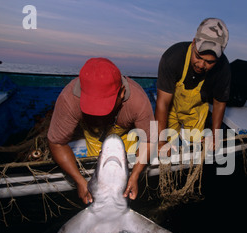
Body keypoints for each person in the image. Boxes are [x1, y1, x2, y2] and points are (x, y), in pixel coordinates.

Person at [47, 57, 155, 204]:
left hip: (125, 135)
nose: (98, 114)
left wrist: (135, 175)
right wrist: (79, 180)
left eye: (105, 107)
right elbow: (56, 143)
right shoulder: (69, 99)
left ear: (122, 93)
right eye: (91, 107)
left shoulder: (138, 100)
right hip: (92, 135)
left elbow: (150, 140)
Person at [155, 17, 231, 149]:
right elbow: (163, 102)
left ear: (219, 58)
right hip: (172, 107)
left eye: (209, 62)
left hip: (196, 111)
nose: (201, 65)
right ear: (194, 42)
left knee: (196, 148)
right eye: (198, 57)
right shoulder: (173, 57)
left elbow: (219, 103)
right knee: (169, 146)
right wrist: (161, 141)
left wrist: (215, 136)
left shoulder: (224, 69)